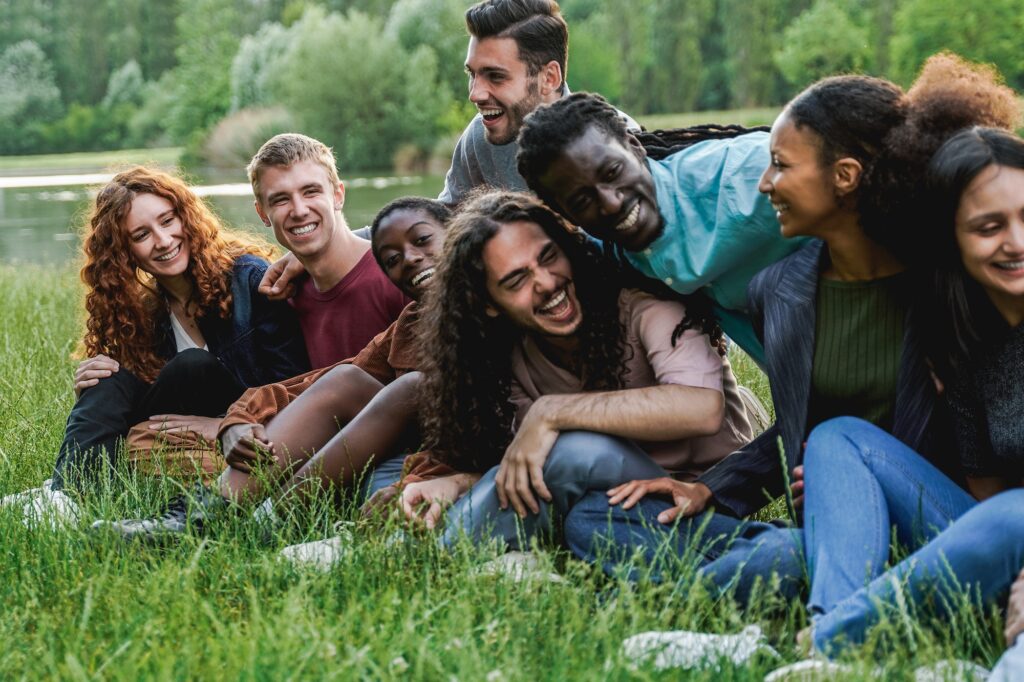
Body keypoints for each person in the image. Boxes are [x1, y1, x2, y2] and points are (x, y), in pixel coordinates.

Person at [561, 54, 1021, 606]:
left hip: (940, 515)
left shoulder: (947, 280)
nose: (764, 182)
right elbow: (803, 427)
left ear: (844, 176)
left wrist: (845, 477)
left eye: (780, 164)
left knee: (784, 544)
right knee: (598, 517)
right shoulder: (779, 292)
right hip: (838, 513)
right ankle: (788, 573)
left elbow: (981, 428)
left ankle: (721, 592)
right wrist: (710, 486)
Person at [389, 191, 755, 550]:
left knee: (576, 448)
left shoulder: (645, 308)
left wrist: (553, 412)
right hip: (615, 504)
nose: (546, 283)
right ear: (488, 304)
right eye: (516, 280)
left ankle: (430, 551)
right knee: (577, 505)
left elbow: (702, 409)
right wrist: (461, 484)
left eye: (549, 257)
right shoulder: (514, 355)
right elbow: (531, 461)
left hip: (707, 495)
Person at [787, 126, 1024, 659]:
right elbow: (981, 502)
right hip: (997, 552)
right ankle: (835, 637)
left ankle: (826, 644)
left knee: (1017, 514)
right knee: (838, 439)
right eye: (990, 227)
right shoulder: (963, 341)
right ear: (951, 240)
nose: (1018, 242)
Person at [96, 198, 449, 540]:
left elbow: (484, 437)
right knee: (347, 378)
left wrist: (419, 480)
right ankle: (207, 514)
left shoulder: (495, 313)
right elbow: (322, 380)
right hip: (392, 447)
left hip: (454, 465)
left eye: (422, 241)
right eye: (391, 259)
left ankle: (269, 518)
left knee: (407, 392)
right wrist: (238, 420)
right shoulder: (413, 321)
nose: (411, 259)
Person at [1, 167, 310, 522]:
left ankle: (60, 492)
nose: (163, 240)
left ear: (188, 218)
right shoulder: (150, 310)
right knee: (107, 372)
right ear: (123, 251)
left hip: (244, 426)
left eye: (167, 221)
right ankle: (65, 495)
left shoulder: (248, 279)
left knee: (192, 363)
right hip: (176, 429)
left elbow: (293, 382)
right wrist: (97, 389)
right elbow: (142, 397)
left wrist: (223, 423)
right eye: (141, 234)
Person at [517, 92, 802, 365]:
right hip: (801, 390)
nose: (611, 204)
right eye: (581, 201)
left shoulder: (746, 174)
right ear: (565, 213)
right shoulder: (605, 254)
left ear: (634, 146)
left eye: (613, 172)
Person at [247, 133, 408, 367]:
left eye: (311, 191)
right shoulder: (286, 297)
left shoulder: (397, 276)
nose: (299, 210)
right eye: (281, 199)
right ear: (262, 213)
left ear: (338, 195)